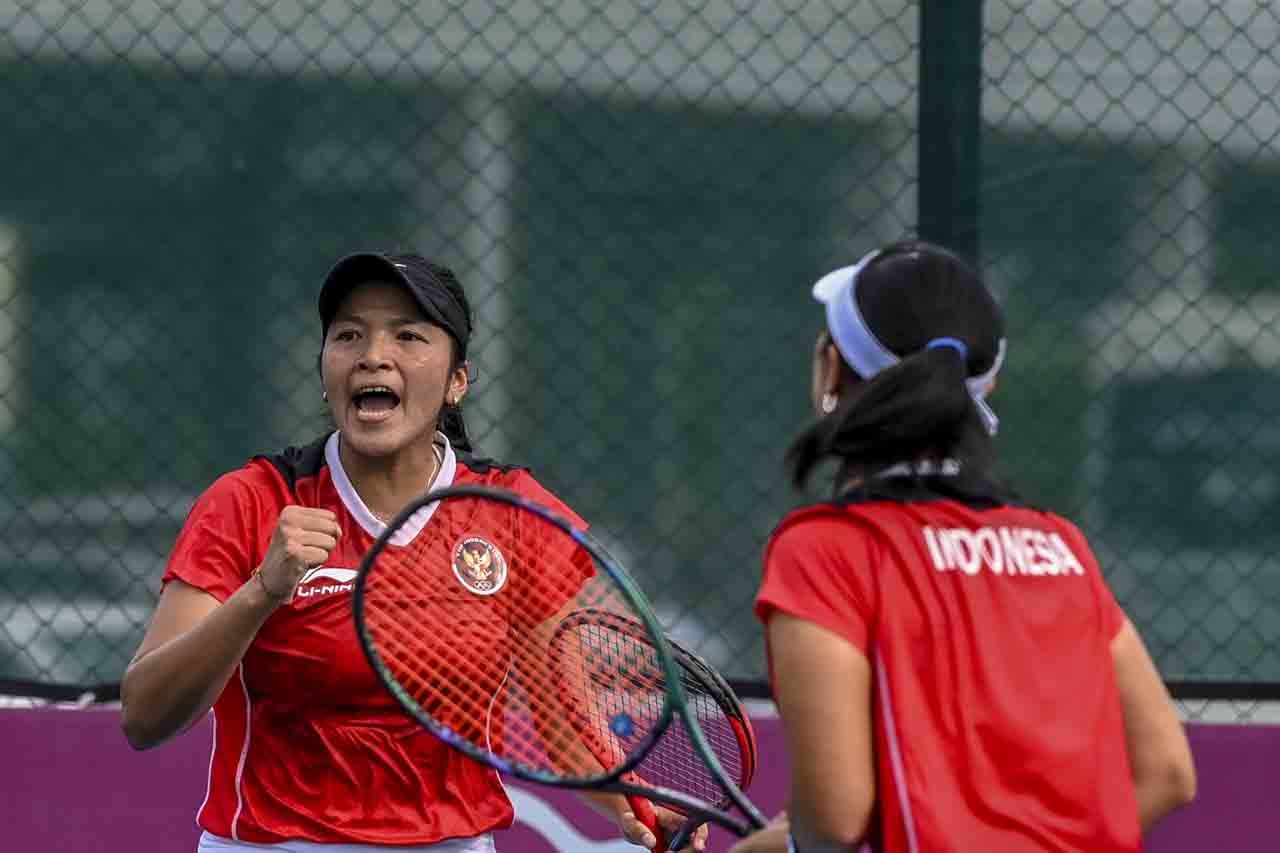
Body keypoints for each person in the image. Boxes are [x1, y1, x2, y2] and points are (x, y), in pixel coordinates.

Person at [120, 251, 700, 852]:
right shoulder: (251, 501)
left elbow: (562, 720)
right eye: (349, 335)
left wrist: (642, 804)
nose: (373, 354)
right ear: (325, 372)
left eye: (408, 335)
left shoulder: (513, 509)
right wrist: (262, 592)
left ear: (457, 381)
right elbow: (145, 716)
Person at [729, 241, 1196, 853]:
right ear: (988, 383)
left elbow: (836, 825)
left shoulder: (825, 551)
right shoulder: (1058, 546)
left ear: (830, 370)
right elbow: (1168, 773)